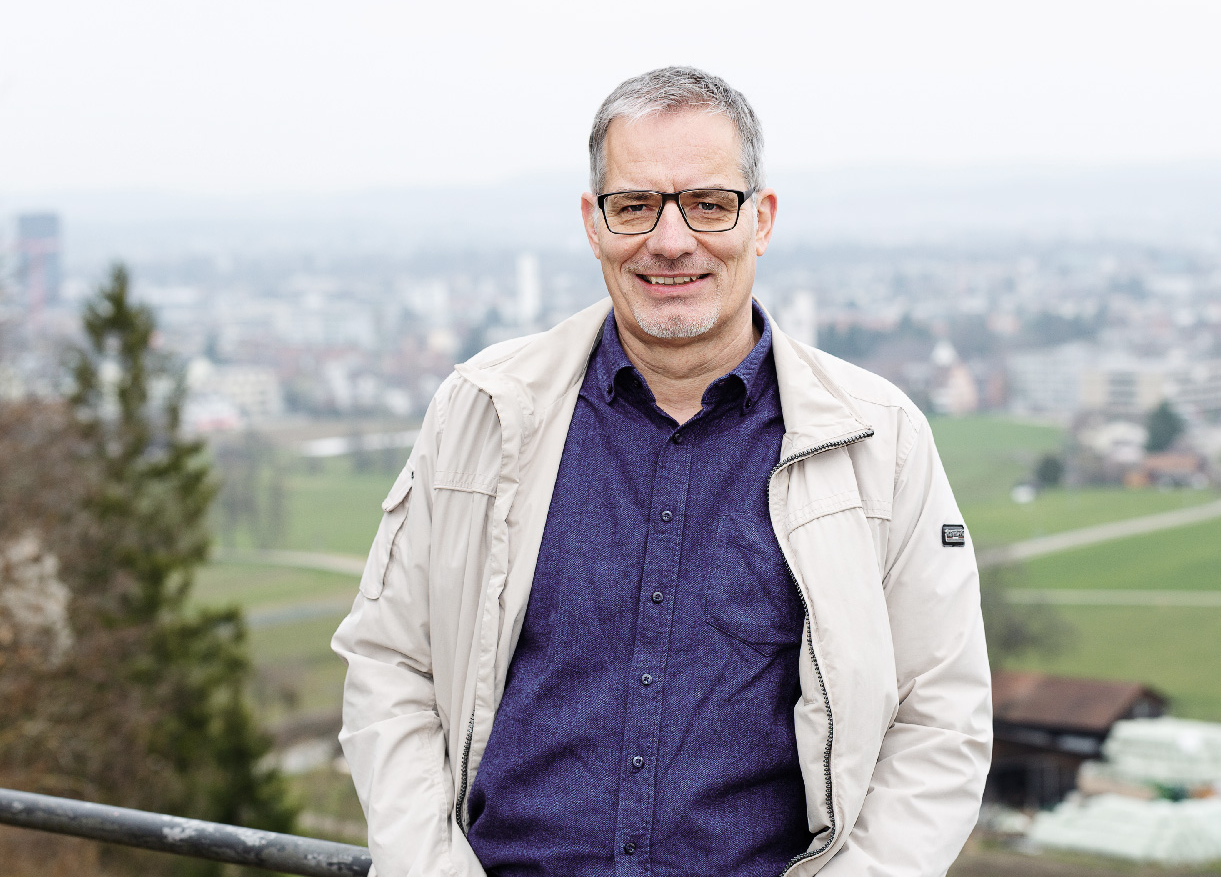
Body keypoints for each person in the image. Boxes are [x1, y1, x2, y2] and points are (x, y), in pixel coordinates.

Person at [332, 67, 992, 877]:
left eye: (708, 204)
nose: (671, 240)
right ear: (594, 223)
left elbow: (940, 721)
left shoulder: (880, 442)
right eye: (635, 205)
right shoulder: (483, 413)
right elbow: (391, 666)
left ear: (761, 220)